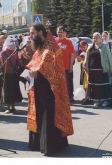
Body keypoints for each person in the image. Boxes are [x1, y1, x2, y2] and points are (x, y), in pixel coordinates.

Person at [25, 23, 73, 156]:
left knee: (48, 114)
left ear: (40, 33)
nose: (31, 36)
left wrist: (37, 73)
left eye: (32, 33)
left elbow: (51, 68)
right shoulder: (40, 47)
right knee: (39, 113)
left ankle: (50, 145)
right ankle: (39, 143)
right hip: (38, 87)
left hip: (50, 90)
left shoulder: (50, 47)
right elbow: (36, 63)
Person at [84, 32, 112, 107]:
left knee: (103, 85)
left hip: (102, 69)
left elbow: (109, 57)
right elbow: (87, 58)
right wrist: (86, 66)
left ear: (100, 38)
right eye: (94, 38)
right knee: (94, 85)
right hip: (93, 70)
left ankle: (105, 100)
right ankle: (97, 100)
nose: (95, 39)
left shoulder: (104, 46)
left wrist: (111, 68)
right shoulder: (90, 47)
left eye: (97, 38)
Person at [1, 37, 23, 114]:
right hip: (6, 74)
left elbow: (19, 62)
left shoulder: (15, 52)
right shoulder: (3, 53)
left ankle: (13, 107)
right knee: (7, 91)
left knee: (14, 90)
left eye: (13, 44)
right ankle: (8, 108)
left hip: (14, 74)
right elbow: (1, 64)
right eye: (11, 44)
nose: (13, 46)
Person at [55, 26, 75, 102]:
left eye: (61, 32)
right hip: (57, 67)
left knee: (67, 82)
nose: (60, 34)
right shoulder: (54, 41)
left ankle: (69, 96)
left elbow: (71, 54)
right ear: (56, 32)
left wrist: (71, 66)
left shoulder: (68, 41)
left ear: (64, 33)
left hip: (66, 66)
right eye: (58, 32)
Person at [101, 31, 112, 106]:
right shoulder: (100, 44)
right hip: (102, 67)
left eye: (105, 36)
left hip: (110, 66)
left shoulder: (111, 44)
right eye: (103, 36)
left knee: (110, 82)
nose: (104, 37)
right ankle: (104, 98)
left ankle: (109, 98)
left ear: (108, 36)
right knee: (103, 83)